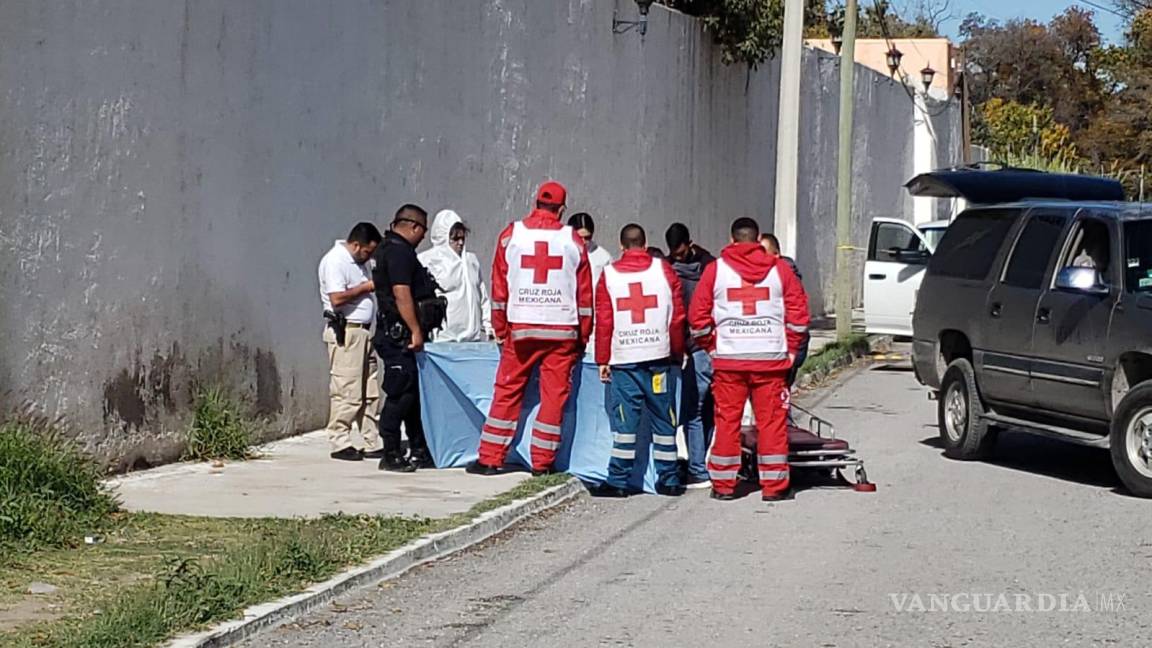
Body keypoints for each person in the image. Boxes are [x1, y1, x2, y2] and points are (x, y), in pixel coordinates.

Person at [468, 181, 594, 476]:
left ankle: (490, 458)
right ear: (562, 209)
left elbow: (500, 290)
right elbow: (584, 297)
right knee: (553, 398)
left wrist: (500, 329)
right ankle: (543, 462)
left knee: (508, 391)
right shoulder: (572, 240)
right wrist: (583, 337)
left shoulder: (511, 236)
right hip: (562, 333)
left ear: (535, 202)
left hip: (520, 330)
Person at [689, 217, 809, 502]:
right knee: (772, 424)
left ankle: (724, 485)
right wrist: (791, 349)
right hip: (770, 360)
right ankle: (774, 486)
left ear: (731, 240)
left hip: (729, 361)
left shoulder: (715, 271)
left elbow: (698, 319)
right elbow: (799, 315)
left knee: (727, 422)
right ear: (758, 241)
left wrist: (712, 347)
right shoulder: (780, 269)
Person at [592, 224, 686, 497]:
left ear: (621, 246)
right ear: (645, 245)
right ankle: (668, 480)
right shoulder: (663, 270)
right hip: (658, 358)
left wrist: (602, 359)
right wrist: (677, 353)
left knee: (625, 425)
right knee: (663, 421)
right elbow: (677, 315)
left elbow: (605, 321)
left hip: (625, 361)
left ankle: (619, 482)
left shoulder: (609, 275)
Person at [373, 205, 437, 472]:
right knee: (401, 393)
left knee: (413, 394)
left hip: (399, 333)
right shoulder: (398, 252)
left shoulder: (392, 248)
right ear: (413, 226)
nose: (423, 237)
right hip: (400, 336)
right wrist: (415, 329)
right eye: (423, 230)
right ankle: (390, 452)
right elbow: (401, 293)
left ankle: (419, 448)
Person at [317, 223, 385, 461]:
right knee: (347, 388)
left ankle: (371, 439)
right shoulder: (336, 261)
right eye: (367, 252)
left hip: (365, 332)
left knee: (370, 389)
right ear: (356, 245)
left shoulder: (360, 263)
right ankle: (340, 440)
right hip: (347, 330)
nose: (369, 257)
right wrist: (366, 287)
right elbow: (337, 298)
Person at [664, 222, 716, 489]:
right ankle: (701, 461)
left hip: (699, 349)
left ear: (690, 244)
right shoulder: (710, 267)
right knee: (703, 409)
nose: (678, 259)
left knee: (694, 410)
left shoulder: (707, 268)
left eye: (681, 254)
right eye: (674, 255)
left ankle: (697, 468)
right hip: (695, 348)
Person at [418, 210, 493, 342]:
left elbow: (482, 297)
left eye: (462, 238)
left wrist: (488, 326)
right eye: (455, 239)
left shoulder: (471, 261)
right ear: (443, 237)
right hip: (442, 340)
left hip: (472, 340)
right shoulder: (427, 260)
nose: (460, 243)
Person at [761, 233, 811, 388]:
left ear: (776, 255)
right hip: (763, 353)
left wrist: (792, 354)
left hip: (784, 351)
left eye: (763, 254)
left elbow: (798, 319)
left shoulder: (788, 279)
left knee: (778, 399)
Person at [568, 212, 614, 290]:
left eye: (587, 237)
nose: (583, 241)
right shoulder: (564, 252)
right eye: (579, 237)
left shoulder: (604, 258)